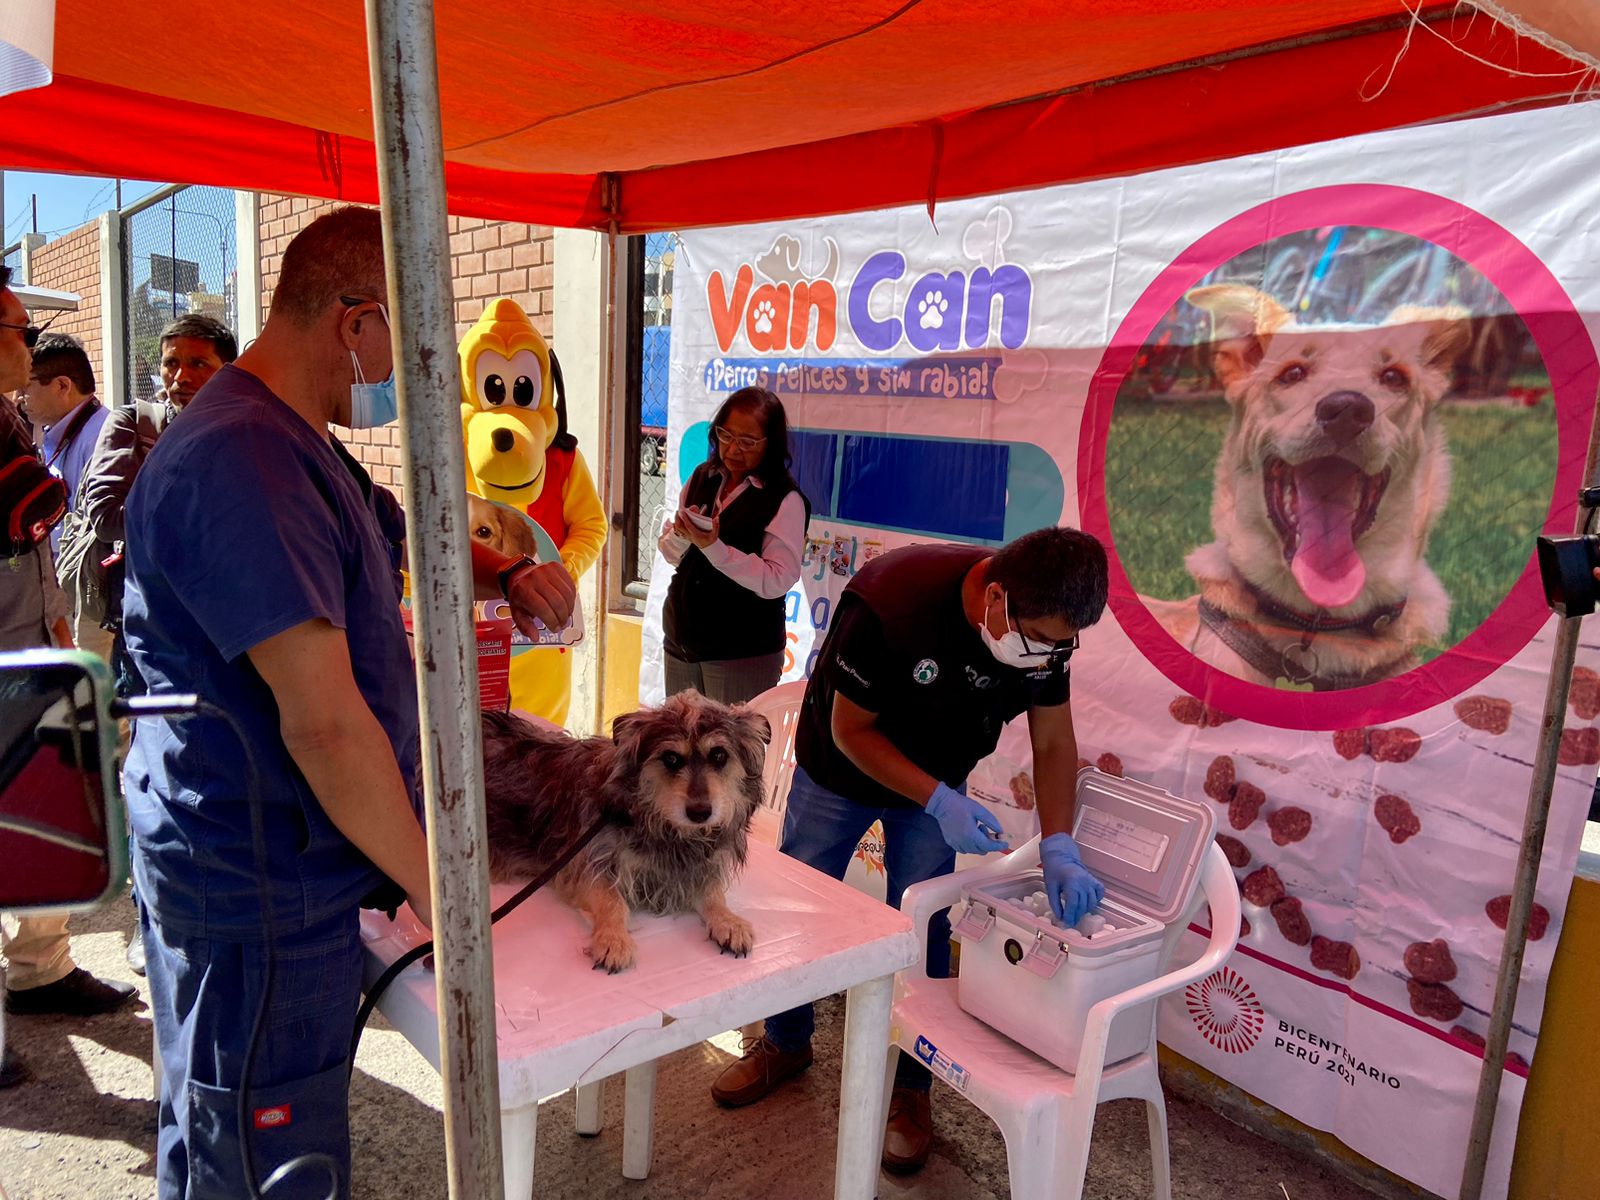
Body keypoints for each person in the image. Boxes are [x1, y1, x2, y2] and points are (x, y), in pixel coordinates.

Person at [121, 206, 575, 1198]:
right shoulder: (243, 460)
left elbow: (395, 535)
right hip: (255, 883)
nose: (404, 380)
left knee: (220, 1123)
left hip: (275, 867)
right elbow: (324, 726)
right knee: (260, 1156)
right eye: (403, 349)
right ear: (353, 321)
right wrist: (443, 904)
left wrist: (505, 574)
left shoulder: (297, 440)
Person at [709, 527, 1110, 1172]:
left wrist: (1060, 841)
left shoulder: (1045, 639)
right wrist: (939, 802)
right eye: (1039, 639)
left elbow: (1056, 744)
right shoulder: (893, 602)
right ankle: (784, 1041)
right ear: (998, 598)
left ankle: (910, 1088)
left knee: (921, 928)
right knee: (804, 908)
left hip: (939, 771)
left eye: (1062, 645)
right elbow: (850, 729)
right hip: (839, 769)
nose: (1048, 655)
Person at [70, 314, 238, 978]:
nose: (179, 376)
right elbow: (106, 510)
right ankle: (149, 920)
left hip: (222, 638)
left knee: (206, 778)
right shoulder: (136, 426)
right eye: (171, 363)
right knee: (150, 779)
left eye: (197, 363)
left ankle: (201, 907)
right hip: (146, 642)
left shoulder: (242, 432)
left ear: (228, 366)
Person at [0, 270, 136, 1091]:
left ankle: (39, 969)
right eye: (15, 327)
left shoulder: (13, 415)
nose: (26, 339)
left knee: (42, 806)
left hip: (27, 636)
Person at [659, 386, 810, 704]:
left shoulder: (784, 498)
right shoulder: (704, 476)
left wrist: (714, 547)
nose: (733, 449)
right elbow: (676, 558)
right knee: (680, 743)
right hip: (681, 642)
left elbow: (776, 580)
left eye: (748, 441)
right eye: (726, 435)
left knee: (733, 749)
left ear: (771, 444)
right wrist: (681, 536)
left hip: (742, 653)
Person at [22, 333, 108, 562]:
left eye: (26, 386)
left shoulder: (101, 438)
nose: (19, 397)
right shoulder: (55, 432)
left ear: (62, 385)